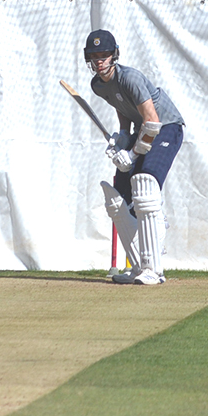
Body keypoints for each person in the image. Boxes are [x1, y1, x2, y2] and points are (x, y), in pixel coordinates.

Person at [84, 29, 184, 285]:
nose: (99, 61)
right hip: (142, 130)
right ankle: (138, 265)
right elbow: (123, 108)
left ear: (114, 55)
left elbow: (152, 121)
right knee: (120, 195)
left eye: (104, 55)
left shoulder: (130, 78)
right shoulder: (98, 86)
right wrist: (121, 139)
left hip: (166, 127)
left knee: (145, 184)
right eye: (94, 56)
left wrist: (132, 152)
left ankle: (154, 270)